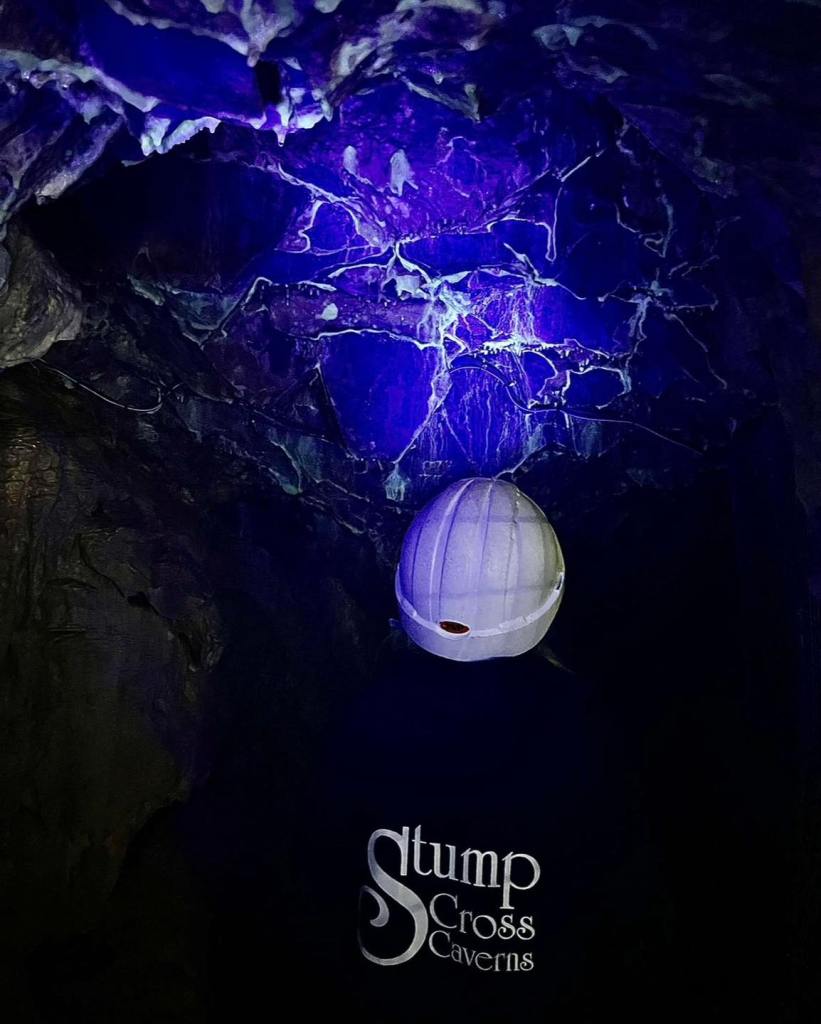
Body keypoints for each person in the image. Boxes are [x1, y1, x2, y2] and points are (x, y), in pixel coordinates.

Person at [296, 478, 665, 1021]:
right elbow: (629, 906)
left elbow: (319, 877)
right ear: (551, 592)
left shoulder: (365, 713)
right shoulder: (584, 731)